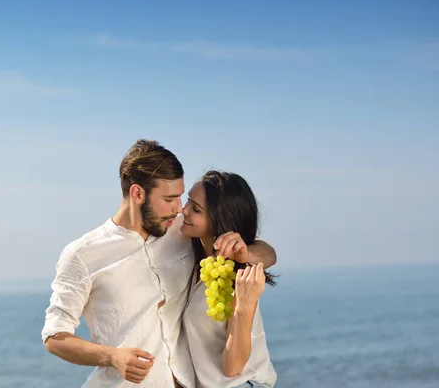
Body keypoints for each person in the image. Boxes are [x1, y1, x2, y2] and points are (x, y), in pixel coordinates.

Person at [41, 139, 277, 387]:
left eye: (181, 198)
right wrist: (111, 356)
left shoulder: (183, 231)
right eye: (170, 198)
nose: (178, 209)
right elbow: (54, 337)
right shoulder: (83, 254)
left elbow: (264, 250)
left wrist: (246, 256)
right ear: (137, 193)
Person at [180, 170, 278, 388]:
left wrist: (245, 306)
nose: (183, 210)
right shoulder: (203, 263)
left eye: (195, 209)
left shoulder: (234, 279)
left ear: (218, 220)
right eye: (188, 201)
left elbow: (232, 368)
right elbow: (268, 251)